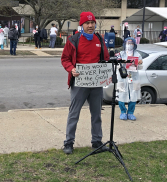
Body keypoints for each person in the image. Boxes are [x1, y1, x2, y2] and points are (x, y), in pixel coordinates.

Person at [61, 12, 110, 154]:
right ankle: (68, 143)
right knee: (74, 114)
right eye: (87, 23)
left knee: (96, 114)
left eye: (92, 23)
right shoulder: (73, 40)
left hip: (96, 84)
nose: (90, 25)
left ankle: (97, 142)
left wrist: (106, 70)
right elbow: (65, 59)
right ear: (82, 25)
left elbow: (105, 59)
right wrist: (71, 69)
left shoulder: (99, 40)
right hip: (79, 83)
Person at [117, 38, 143, 121]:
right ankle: (123, 112)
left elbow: (141, 67)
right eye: (128, 43)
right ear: (124, 44)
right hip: (123, 77)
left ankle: (131, 113)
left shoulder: (138, 54)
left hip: (133, 77)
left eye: (131, 43)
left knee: (133, 95)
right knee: (121, 94)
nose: (129, 45)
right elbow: (116, 66)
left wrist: (140, 63)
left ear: (134, 45)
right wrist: (122, 63)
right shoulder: (121, 54)